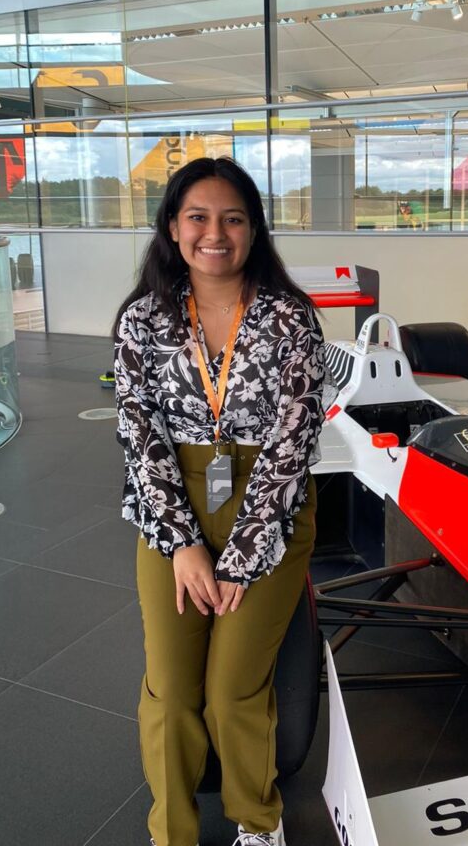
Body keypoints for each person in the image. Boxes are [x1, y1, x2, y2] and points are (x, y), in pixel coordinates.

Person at [114, 157, 326, 846]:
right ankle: (171, 830)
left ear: (254, 230)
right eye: (198, 217)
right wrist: (183, 544)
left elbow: (295, 439)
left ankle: (258, 822)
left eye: (233, 219)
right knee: (172, 687)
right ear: (173, 227)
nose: (215, 233)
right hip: (171, 506)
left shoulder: (291, 318)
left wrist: (241, 557)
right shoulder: (142, 320)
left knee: (235, 686)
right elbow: (139, 432)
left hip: (268, 508)